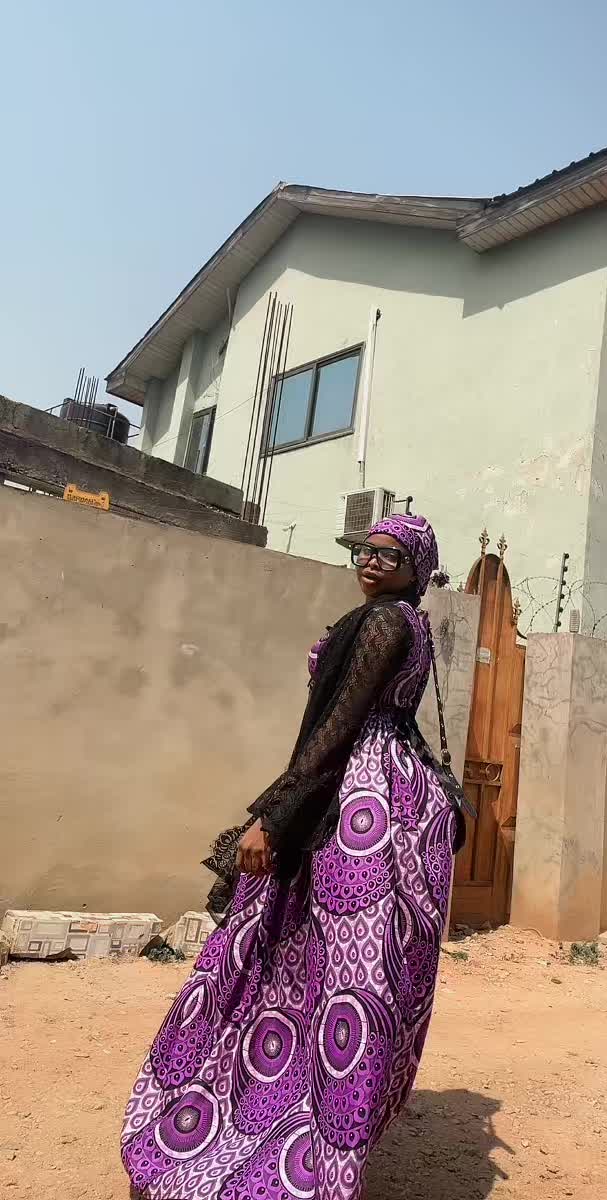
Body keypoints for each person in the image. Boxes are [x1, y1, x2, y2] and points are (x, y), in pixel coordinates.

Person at [121, 514, 465, 1200]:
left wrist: (274, 819)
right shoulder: (412, 624)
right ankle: (316, 1125)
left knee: (292, 960)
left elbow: (337, 727)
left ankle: (268, 1132)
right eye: (366, 549)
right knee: (348, 976)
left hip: (357, 799)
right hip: (387, 796)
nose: (371, 561)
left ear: (416, 568)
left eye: (390, 554)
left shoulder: (384, 622)